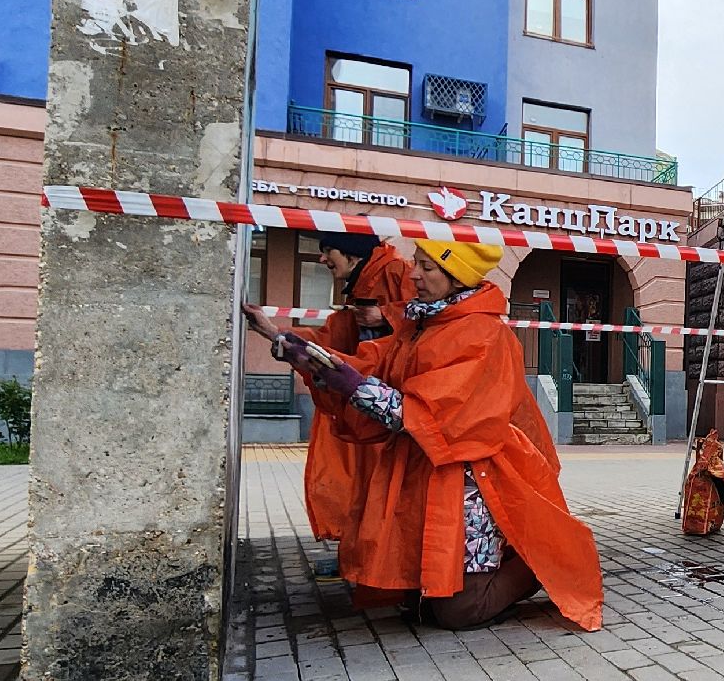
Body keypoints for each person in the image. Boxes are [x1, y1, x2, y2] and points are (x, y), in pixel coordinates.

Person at [241, 239, 604, 631]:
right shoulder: (421, 325)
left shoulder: (482, 333)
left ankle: (538, 563)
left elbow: (426, 413)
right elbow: (371, 361)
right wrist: (284, 341)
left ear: (456, 277)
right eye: (416, 263)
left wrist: (348, 383)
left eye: (426, 267)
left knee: (456, 612)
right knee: (423, 598)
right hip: (427, 469)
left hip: (472, 476)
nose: (413, 274)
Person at [303, 234, 415, 582]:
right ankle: (358, 559)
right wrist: (278, 335)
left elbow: (421, 322)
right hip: (368, 402)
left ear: (350, 253)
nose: (322, 260)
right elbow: (335, 335)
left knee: (383, 490)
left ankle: (377, 563)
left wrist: (383, 313)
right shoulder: (364, 280)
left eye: (327, 251)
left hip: (389, 405)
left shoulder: (396, 271)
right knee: (363, 486)